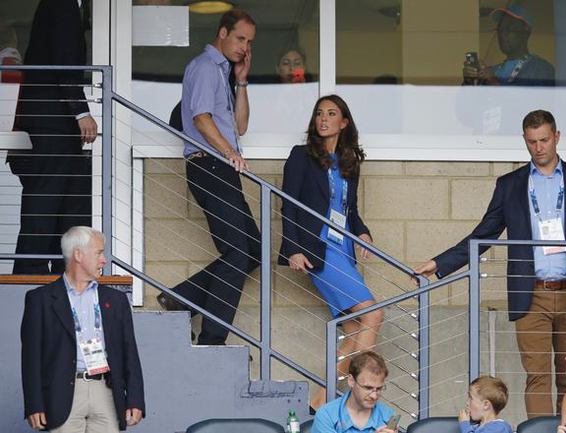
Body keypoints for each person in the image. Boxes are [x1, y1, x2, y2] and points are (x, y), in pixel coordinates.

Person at [414, 109, 566, 418]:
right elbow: (484, 234)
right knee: (537, 376)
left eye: (544, 140)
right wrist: (440, 262)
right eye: (532, 141)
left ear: (557, 137)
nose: (539, 147)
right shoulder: (510, 184)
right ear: (524, 140)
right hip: (531, 293)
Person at [156, 9, 262, 345]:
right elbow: (201, 119)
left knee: (253, 250)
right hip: (209, 166)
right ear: (223, 33)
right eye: (240, 38)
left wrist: (242, 80)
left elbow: (240, 126)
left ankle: (180, 299)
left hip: (223, 168)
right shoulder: (204, 67)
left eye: (250, 42)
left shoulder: (224, 72)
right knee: (237, 253)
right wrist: (230, 153)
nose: (245, 47)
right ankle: (212, 339)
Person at [279, 94, 383, 409]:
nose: (323, 119)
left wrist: (362, 231)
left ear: (344, 122)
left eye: (331, 113)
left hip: (344, 247)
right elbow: (288, 205)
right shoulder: (301, 156)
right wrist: (293, 249)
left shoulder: (350, 161)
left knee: (354, 329)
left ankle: (319, 404)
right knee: (373, 314)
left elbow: (350, 209)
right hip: (318, 248)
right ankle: (342, 398)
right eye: (319, 113)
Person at [20, 226, 145, 432]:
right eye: (99, 253)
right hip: (62, 394)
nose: (104, 260)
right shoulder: (40, 299)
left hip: (106, 391)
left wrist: (135, 399)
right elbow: (31, 358)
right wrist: (34, 404)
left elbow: (129, 352)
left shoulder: (116, 300)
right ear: (78, 255)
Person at [10, 0, 98, 275]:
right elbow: (64, 61)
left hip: (57, 124)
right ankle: (29, 275)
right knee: (45, 203)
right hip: (52, 123)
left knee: (66, 207)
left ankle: (62, 275)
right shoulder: (62, 4)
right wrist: (81, 111)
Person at [463, 4, 554, 86]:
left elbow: (530, 99)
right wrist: (468, 81)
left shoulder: (541, 69)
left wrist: (492, 80)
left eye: (509, 28)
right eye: (500, 29)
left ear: (526, 32)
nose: (502, 34)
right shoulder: (491, 71)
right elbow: (467, 99)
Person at [312, 351, 397, 433]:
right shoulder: (326, 415)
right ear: (351, 381)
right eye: (368, 388)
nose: (374, 396)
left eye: (379, 389)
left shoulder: (388, 416)